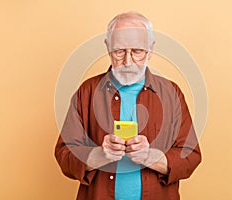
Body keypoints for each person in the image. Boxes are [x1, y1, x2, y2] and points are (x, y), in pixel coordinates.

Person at [55, 12, 201, 200]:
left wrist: (150, 157)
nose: (128, 61)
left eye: (137, 51)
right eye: (119, 51)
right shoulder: (87, 91)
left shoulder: (171, 93)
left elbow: (191, 157)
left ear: (150, 48)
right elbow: (64, 154)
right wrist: (99, 154)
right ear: (108, 47)